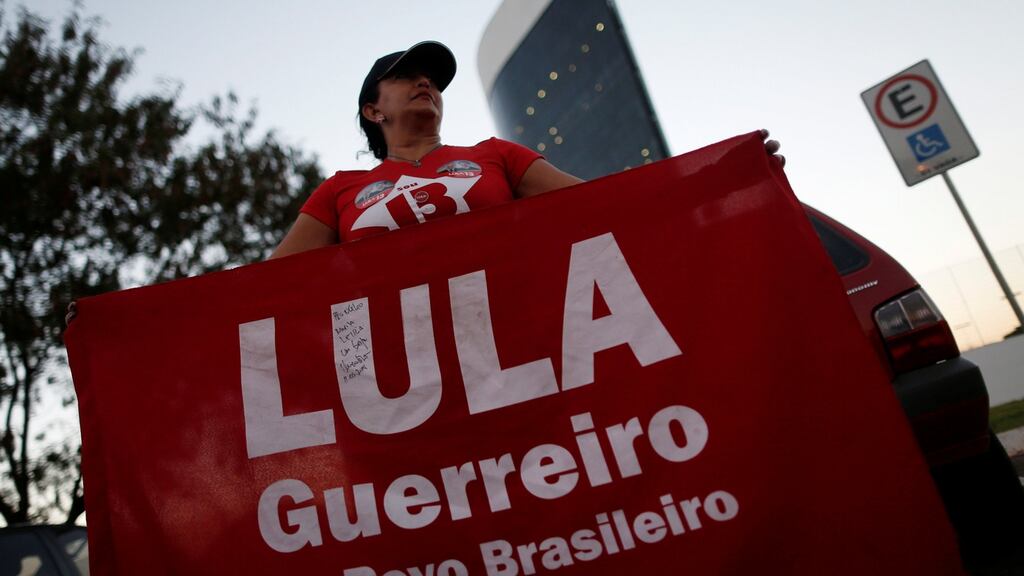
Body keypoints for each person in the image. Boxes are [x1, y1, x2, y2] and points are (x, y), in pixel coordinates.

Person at [270, 40, 783, 259]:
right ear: (372, 111)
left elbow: (602, 203)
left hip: (521, 356)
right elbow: (263, 292)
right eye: (405, 76)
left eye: (432, 78)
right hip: (399, 388)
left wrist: (721, 181)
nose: (425, 82)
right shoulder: (340, 191)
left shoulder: (498, 155)